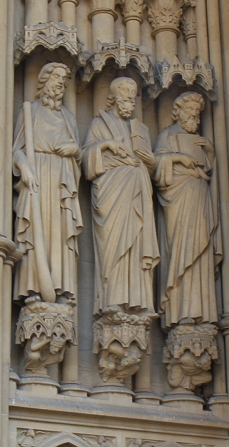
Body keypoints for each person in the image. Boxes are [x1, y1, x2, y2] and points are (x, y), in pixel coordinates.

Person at [83, 77, 159, 315]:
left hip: (138, 189)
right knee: (113, 245)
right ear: (114, 99)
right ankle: (112, 299)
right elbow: (85, 159)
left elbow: (152, 166)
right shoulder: (100, 124)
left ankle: (139, 301)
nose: (130, 105)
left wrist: (151, 161)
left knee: (137, 243)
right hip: (112, 190)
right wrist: (105, 145)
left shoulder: (140, 129)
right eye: (126, 100)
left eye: (132, 100)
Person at [13, 62, 82, 302]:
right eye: (57, 78)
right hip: (37, 175)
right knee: (36, 230)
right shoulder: (30, 111)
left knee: (60, 234)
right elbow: (17, 149)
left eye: (64, 80)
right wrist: (25, 167)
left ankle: (61, 288)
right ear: (45, 80)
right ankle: (33, 288)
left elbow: (79, 153)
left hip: (62, 179)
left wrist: (75, 150)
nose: (61, 83)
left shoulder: (68, 117)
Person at [153, 91, 221, 329]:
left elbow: (210, 171)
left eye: (197, 113)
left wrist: (210, 152)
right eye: (190, 111)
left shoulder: (201, 140)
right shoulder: (167, 136)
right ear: (178, 112)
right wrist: (178, 158)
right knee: (180, 249)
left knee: (201, 250)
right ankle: (179, 312)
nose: (195, 117)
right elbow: (156, 165)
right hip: (177, 198)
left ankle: (202, 312)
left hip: (199, 196)